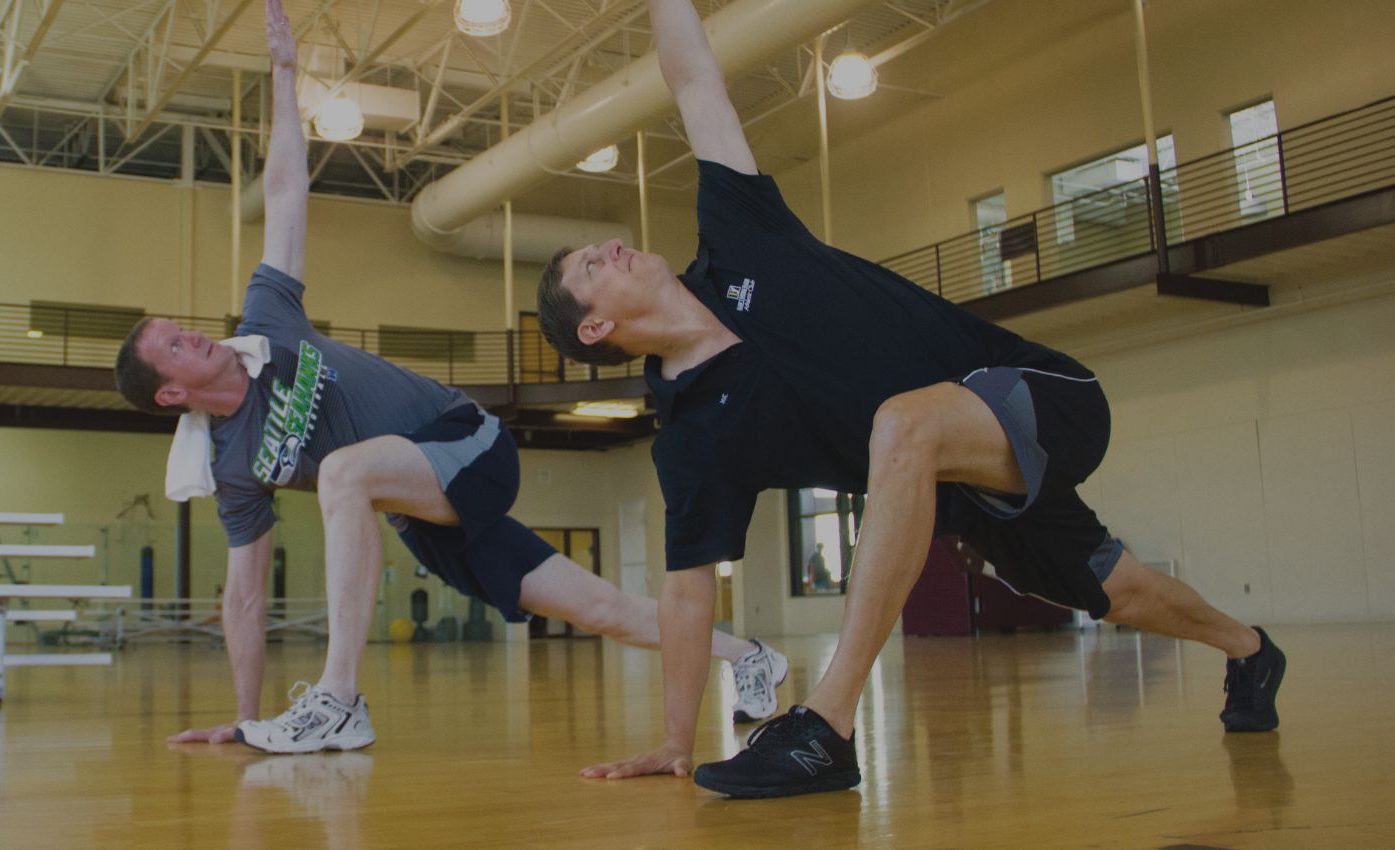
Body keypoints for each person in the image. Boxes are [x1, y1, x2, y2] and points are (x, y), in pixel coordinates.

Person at [537, 0, 1285, 799]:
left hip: (1035, 392)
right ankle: (1250, 650)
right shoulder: (691, 438)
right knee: (1123, 591)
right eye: (590, 267)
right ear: (597, 329)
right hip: (967, 491)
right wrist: (675, 740)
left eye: (597, 248)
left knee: (903, 422)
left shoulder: (739, 231)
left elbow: (692, 79)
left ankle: (827, 727)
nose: (610, 248)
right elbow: (688, 587)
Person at [114, 0, 787, 756]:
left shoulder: (266, 325)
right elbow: (243, 594)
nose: (192, 333)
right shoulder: (232, 463)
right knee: (597, 606)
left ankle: (339, 699)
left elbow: (282, 194)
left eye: (181, 324)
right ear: (169, 393)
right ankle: (751, 656)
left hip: (464, 442)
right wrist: (243, 716)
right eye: (173, 343)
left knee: (340, 471)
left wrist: (284, 74)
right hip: (417, 506)